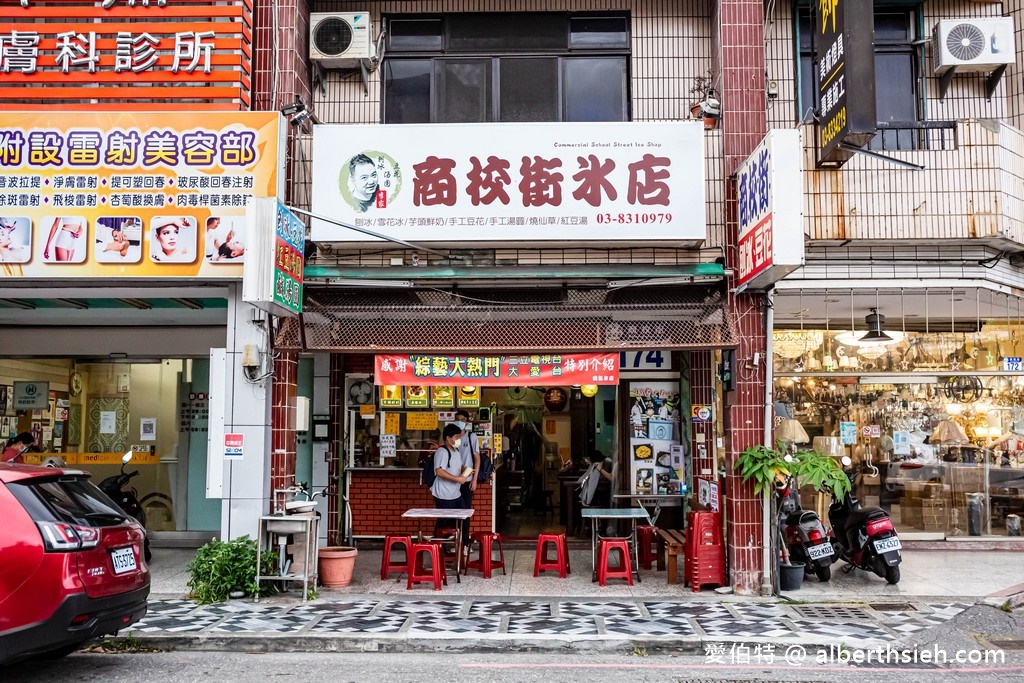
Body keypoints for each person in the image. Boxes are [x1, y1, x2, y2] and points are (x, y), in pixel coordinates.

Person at [430, 423, 473, 550]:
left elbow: (458, 467)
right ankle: (437, 547)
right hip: (443, 494)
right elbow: (439, 471)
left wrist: (467, 470)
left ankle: (458, 544)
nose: (458, 440)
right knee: (444, 522)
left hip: (455, 493)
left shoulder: (456, 451)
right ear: (448, 438)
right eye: (456, 437)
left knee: (462, 518)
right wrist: (458, 479)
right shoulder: (442, 452)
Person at [453, 409, 480, 547]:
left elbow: (477, 459)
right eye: (457, 419)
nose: (460, 422)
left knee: (465, 511)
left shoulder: (471, 437)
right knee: (452, 512)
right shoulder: (451, 437)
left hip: (467, 480)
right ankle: (454, 542)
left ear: (467, 422)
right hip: (452, 480)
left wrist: (474, 479)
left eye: (463, 420)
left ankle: (464, 542)